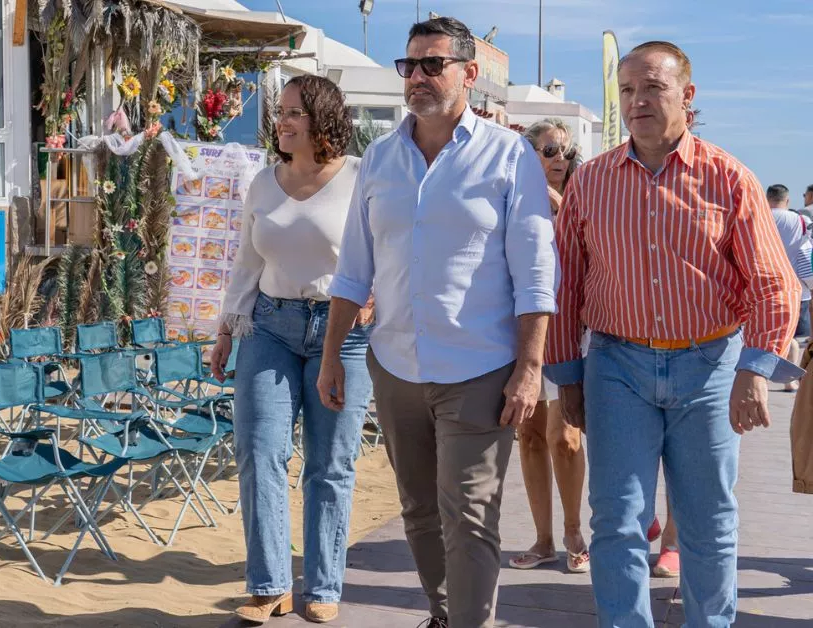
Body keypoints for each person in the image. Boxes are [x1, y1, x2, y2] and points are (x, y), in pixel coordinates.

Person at [545, 41, 802, 627]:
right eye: (628, 90)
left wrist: (755, 370)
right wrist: (567, 376)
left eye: (652, 88)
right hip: (616, 366)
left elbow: (773, 283)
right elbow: (566, 287)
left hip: (710, 365)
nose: (637, 102)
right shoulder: (591, 184)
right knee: (616, 518)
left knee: (709, 519)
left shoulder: (729, 178)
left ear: (687, 96)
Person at [318, 17, 557, 628]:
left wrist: (530, 369)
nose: (417, 77)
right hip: (395, 363)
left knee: (471, 511)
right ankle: (443, 612)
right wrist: (330, 358)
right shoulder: (377, 159)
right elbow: (352, 271)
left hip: (480, 366)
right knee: (419, 507)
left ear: (469, 75)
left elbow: (536, 274)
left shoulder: (510, 157)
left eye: (432, 65)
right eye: (409, 66)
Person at [209, 74, 374, 625]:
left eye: (294, 112)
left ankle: (323, 585)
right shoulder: (262, 182)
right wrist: (227, 329)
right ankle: (269, 585)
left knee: (330, 465)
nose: (282, 120)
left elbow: (386, 246)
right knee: (259, 455)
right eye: (280, 111)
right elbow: (247, 262)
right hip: (270, 328)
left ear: (323, 119)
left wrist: (380, 294)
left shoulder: (358, 176)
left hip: (343, 332)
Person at [508, 118, 589, 574]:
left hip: (566, 333)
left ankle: (574, 530)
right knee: (531, 436)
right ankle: (542, 540)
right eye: (550, 150)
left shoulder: (583, 195)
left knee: (566, 439)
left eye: (565, 151)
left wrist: (559, 209)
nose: (560, 159)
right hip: (521, 330)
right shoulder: (512, 196)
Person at [767, 184, 813, 393]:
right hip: (794, 288)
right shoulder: (800, 221)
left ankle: (759, 377)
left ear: (768, 199)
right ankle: (789, 380)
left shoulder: (759, 216)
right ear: (787, 200)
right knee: (791, 338)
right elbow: (804, 255)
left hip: (762, 287)